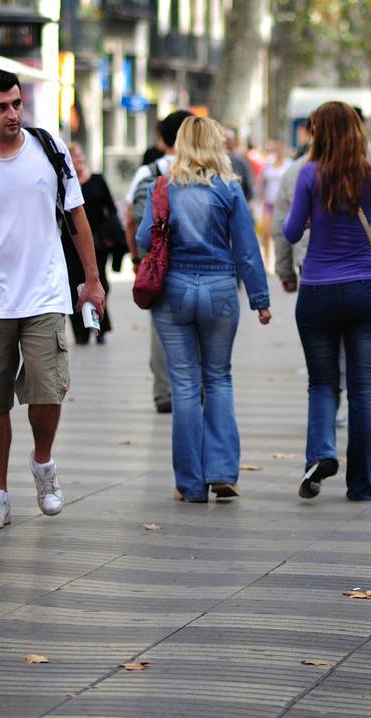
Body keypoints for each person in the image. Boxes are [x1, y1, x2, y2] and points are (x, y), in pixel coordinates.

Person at [0, 69, 106, 530]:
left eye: (17, 104)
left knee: (48, 390)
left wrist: (92, 280)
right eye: (2, 107)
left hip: (46, 293)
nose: (12, 114)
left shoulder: (50, 149)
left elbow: (77, 218)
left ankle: (43, 464)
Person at [283, 101, 371, 502]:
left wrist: (309, 216)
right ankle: (362, 485)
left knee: (322, 382)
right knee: (364, 389)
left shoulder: (309, 175)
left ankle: (321, 454)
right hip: (365, 291)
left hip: (318, 293)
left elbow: (291, 233)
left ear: (318, 133)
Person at [136, 117, 271, 503]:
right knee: (218, 379)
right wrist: (260, 300)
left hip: (175, 287)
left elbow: (146, 237)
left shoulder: (162, 186)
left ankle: (190, 483)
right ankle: (224, 472)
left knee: (183, 386)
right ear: (216, 144)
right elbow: (246, 248)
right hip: (220, 289)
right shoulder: (229, 188)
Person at [126, 110, 192, 413]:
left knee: (161, 327)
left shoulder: (148, 172)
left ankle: (165, 392)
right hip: (198, 264)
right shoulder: (209, 170)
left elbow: (133, 220)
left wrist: (138, 260)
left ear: (163, 138)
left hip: (157, 262)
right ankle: (196, 386)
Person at [63, 142, 126, 345]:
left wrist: (112, 234)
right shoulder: (64, 183)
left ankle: (100, 326)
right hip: (69, 242)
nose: (79, 160)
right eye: (75, 157)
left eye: (81, 155)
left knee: (99, 283)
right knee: (74, 285)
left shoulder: (97, 180)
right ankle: (81, 333)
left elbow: (111, 209)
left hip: (98, 241)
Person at [259, 140, 292, 264]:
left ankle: (282, 260)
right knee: (266, 233)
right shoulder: (269, 162)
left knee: (282, 234)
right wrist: (260, 196)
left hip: (284, 205)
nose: (276, 150)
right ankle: (267, 262)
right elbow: (262, 180)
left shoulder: (289, 164)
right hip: (269, 202)